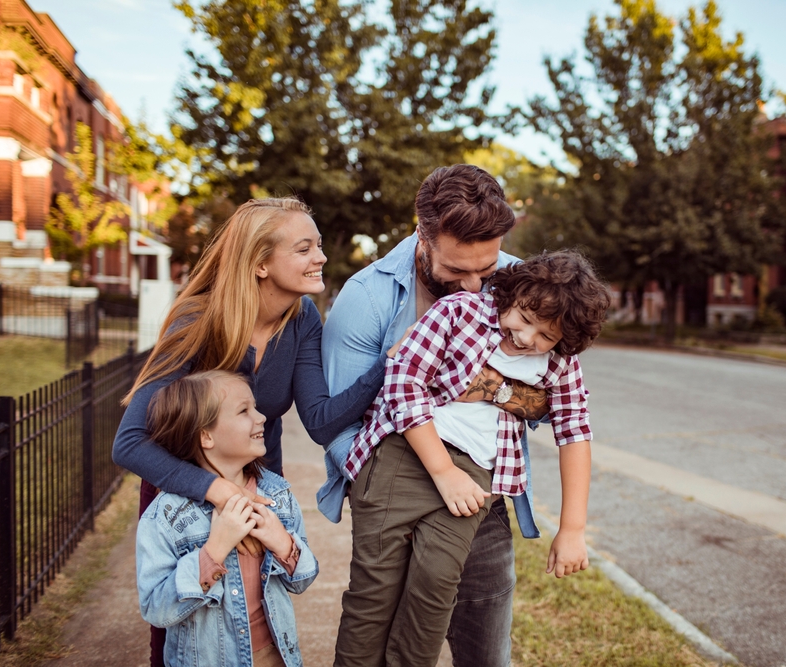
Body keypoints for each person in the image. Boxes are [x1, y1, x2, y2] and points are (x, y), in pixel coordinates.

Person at [114, 197, 386, 666]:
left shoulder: (302, 319)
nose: (320, 257)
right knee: (185, 624)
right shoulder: (198, 319)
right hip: (184, 486)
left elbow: (319, 419)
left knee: (260, 608)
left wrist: (387, 368)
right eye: (304, 248)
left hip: (257, 483)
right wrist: (220, 493)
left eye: (318, 245)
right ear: (261, 263)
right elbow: (131, 441)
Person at [318, 164, 552, 667]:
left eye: (485, 273)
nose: (473, 288)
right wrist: (376, 487)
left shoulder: (523, 283)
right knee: (370, 632)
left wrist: (475, 387)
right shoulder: (365, 299)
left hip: (478, 499)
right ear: (422, 234)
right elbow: (337, 423)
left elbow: (545, 405)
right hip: (390, 487)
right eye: (455, 271)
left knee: (485, 651)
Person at [337, 250, 611, 666]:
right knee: (374, 594)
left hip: (473, 477)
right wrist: (442, 471)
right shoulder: (459, 312)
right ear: (513, 294)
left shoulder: (557, 362)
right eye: (525, 318)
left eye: (545, 336)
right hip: (402, 454)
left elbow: (574, 430)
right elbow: (404, 383)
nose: (526, 338)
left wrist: (572, 528)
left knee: (437, 583)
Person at [136, 370, 318, 667]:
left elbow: (303, 581)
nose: (261, 418)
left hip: (274, 658)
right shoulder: (167, 516)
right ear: (205, 436)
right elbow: (156, 609)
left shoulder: (276, 494)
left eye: (255, 407)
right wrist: (213, 551)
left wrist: (283, 543)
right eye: (244, 410)